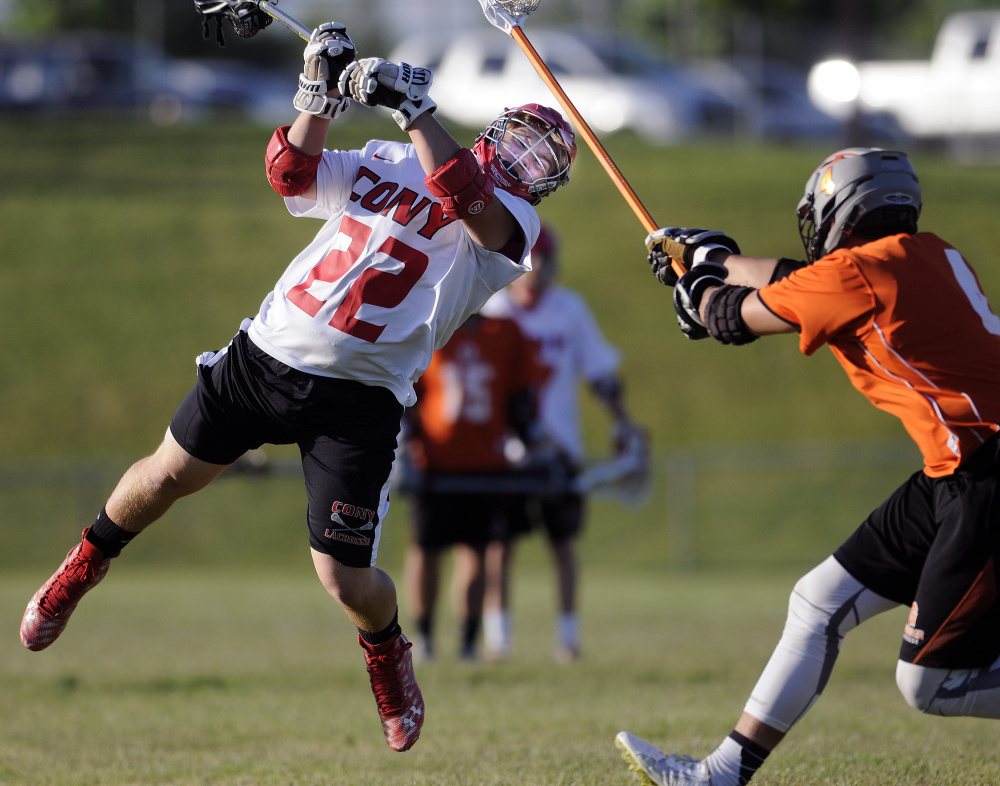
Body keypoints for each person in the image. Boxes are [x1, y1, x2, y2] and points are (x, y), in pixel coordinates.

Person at [18, 21, 576, 754]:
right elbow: (290, 173)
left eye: (540, 159)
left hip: (362, 397)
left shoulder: (515, 226)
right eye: (523, 140)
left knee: (345, 580)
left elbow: (464, 197)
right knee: (166, 474)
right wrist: (318, 91)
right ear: (494, 131)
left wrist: (414, 109)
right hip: (267, 352)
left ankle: (388, 653)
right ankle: (84, 565)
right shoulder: (387, 156)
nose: (525, 159)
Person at [616, 147, 1000, 785]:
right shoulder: (933, 254)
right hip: (955, 469)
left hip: (985, 477)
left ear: (842, 210)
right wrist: (712, 257)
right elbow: (802, 279)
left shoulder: (855, 276)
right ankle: (721, 774)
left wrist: (699, 288)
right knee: (818, 602)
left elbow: (729, 319)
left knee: (928, 682)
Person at [479, 223, 647, 662]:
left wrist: (623, 422)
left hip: (560, 448)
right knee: (499, 546)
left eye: (546, 263)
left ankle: (568, 638)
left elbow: (601, 376)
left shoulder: (569, 310)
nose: (539, 273)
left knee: (563, 544)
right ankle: (498, 639)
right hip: (509, 449)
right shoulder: (494, 309)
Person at [399, 312, 547, 662]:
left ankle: (467, 641)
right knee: (424, 549)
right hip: (434, 464)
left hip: (487, 463)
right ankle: (423, 636)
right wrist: (406, 443)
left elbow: (520, 397)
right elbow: (407, 394)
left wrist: (526, 441)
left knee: (477, 552)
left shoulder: (506, 331)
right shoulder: (429, 328)